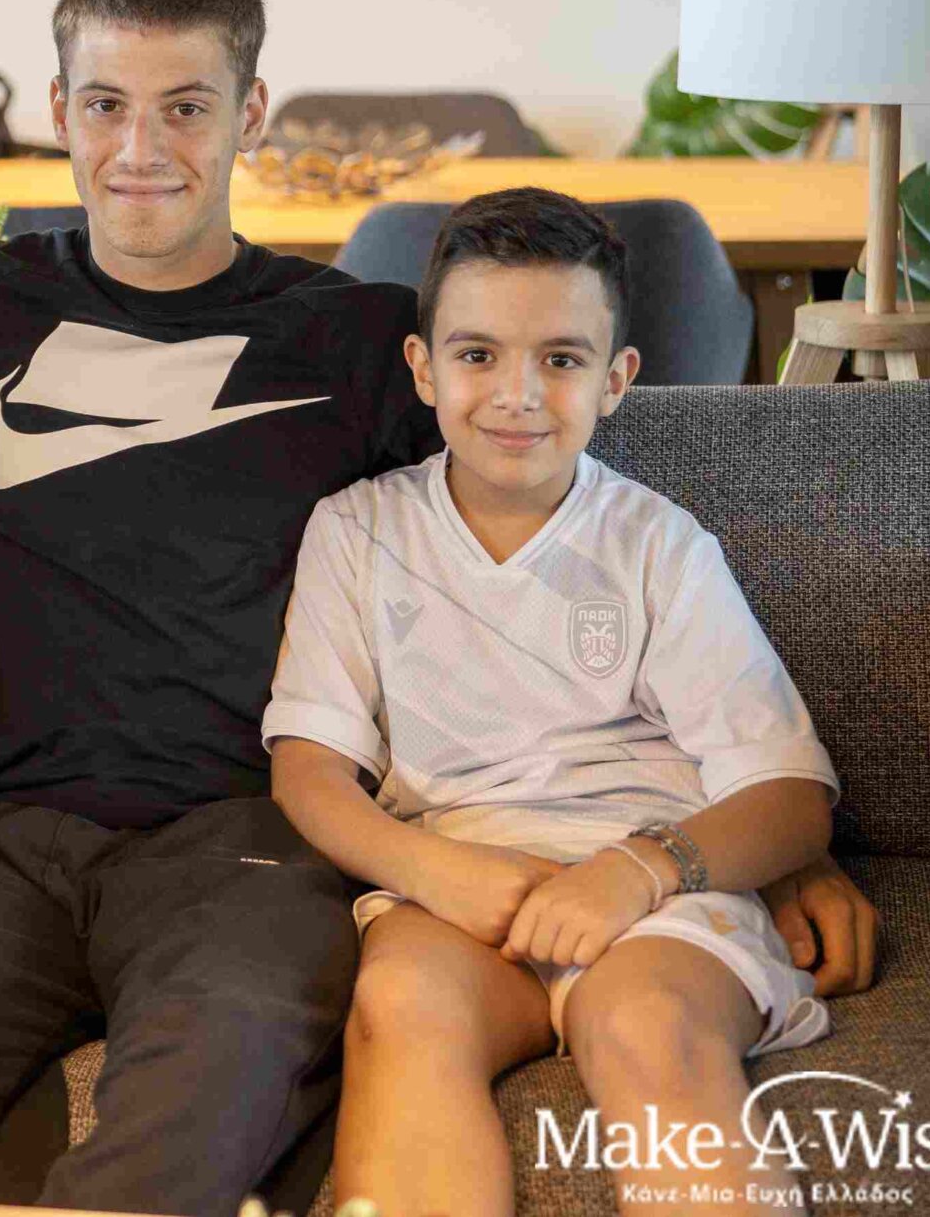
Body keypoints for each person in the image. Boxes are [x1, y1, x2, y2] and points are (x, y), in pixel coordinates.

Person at [0, 0, 879, 1217]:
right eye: (104, 104)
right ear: (57, 110)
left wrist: (741, 846)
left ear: (250, 112)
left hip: (246, 843)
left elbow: (539, 505)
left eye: (185, 107)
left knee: (222, 1081)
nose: (140, 147)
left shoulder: (360, 340)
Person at [268, 188, 838, 1217]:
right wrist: (430, 869)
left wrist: (634, 872)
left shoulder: (660, 547)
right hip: (451, 889)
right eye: (477, 354)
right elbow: (308, 769)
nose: (516, 393)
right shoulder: (356, 532)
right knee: (400, 1003)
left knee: (648, 1027)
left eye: (562, 359)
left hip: (651, 892)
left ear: (616, 379)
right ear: (423, 368)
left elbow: (790, 795)